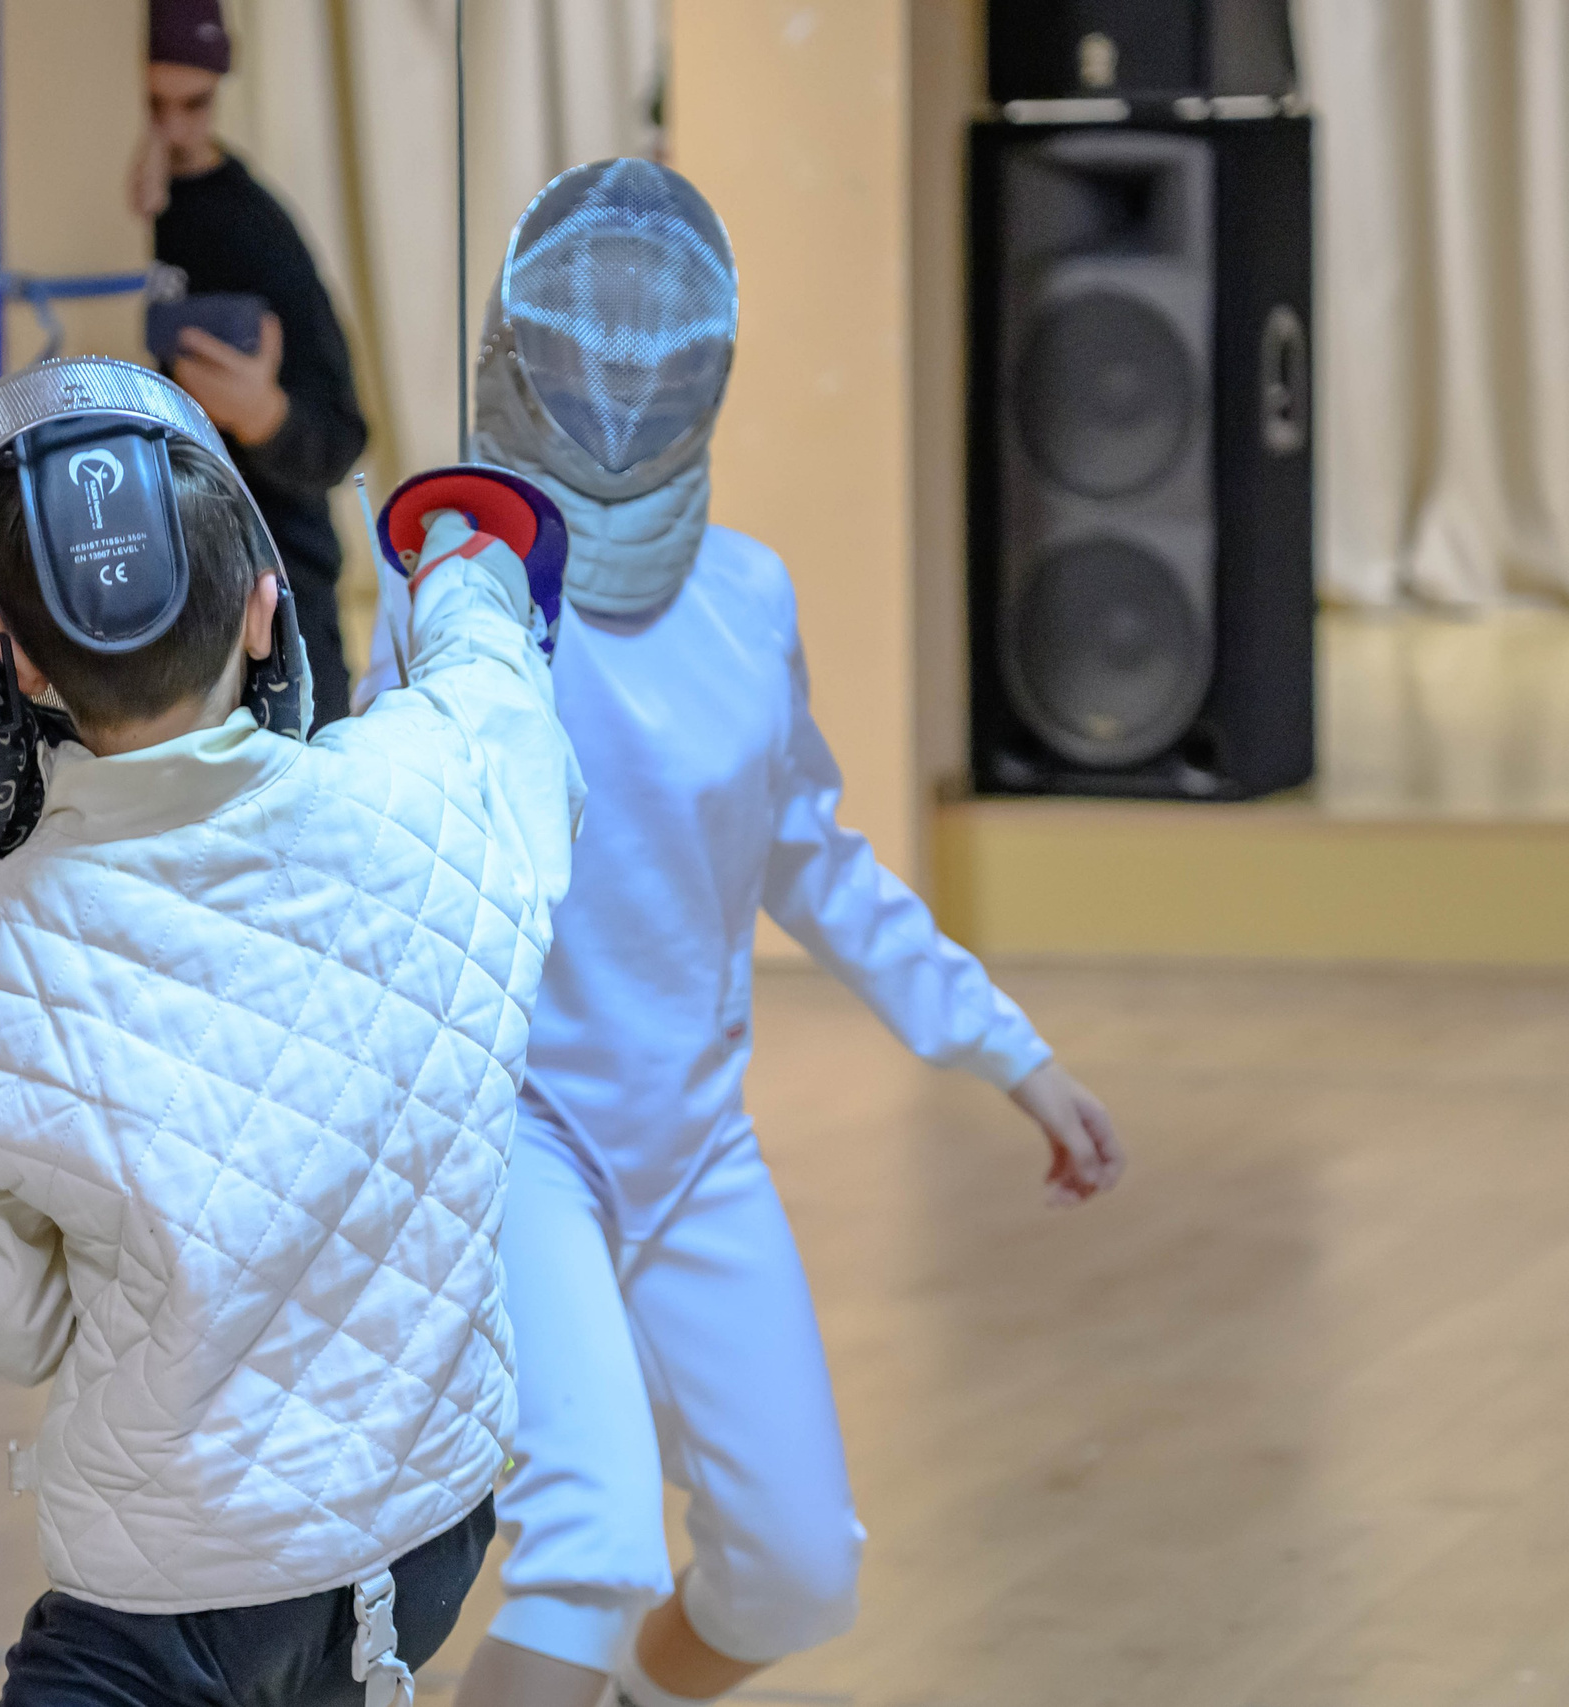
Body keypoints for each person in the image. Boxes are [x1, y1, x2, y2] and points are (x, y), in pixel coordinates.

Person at [447, 161, 1129, 1707]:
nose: (617, 382)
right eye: (587, 349)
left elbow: (816, 859)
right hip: (519, 1138)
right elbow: (381, 854)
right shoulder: (463, 585)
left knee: (800, 1568)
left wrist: (1010, 1052)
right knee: (588, 1543)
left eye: (649, 352)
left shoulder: (748, 597)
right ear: (527, 354)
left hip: (690, 1142)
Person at [0, 356, 582, 1705]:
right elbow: (499, 685)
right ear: (265, 606)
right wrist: (464, 555)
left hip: (168, 1595)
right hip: (426, 1545)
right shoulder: (439, 788)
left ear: (9, 658)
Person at [134, 0, 369, 724]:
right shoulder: (87, 216)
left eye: (194, 104)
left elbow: (341, 435)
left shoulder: (253, 228)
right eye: (150, 105)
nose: (174, 131)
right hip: (147, 613)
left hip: (277, 599)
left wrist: (263, 416)